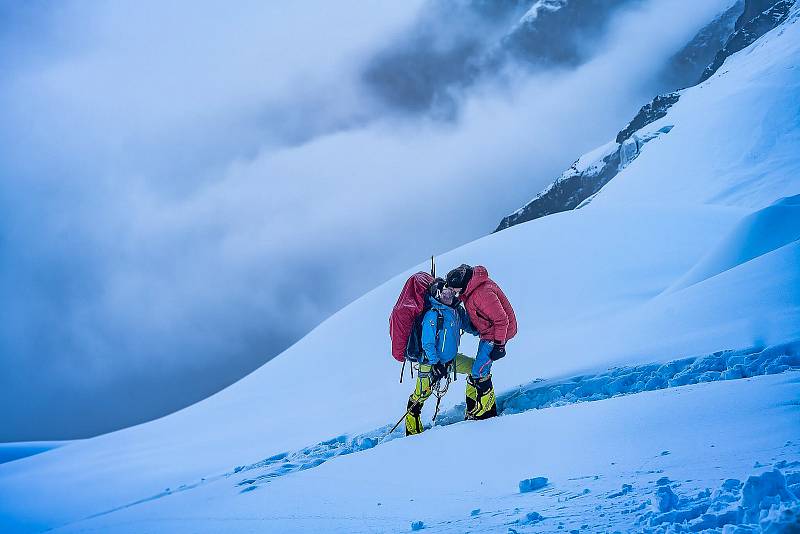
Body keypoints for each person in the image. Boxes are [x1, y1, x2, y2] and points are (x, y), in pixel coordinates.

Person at [445, 264, 517, 421]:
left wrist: (499, 345)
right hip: (486, 328)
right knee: (477, 370)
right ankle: (474, 404)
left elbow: (502, 320)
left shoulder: (483, 293)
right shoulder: (470, 290)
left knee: (479, 370)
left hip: (496, 333)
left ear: (462, 285)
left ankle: (487, 410)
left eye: (454, 289)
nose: (454, 293)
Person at [405, 278, 476, 436]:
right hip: (430, 363)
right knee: (421, 394)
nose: (448, 296)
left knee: (474, 368)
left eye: (450, 292)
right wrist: (436, 364)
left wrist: (486, 332)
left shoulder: (456, 311)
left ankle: (473, 410)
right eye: (444, 293)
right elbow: (427, 344)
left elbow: (467, 326)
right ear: (437, 295)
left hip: (450, 360)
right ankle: (412, 428)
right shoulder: (432, 315)